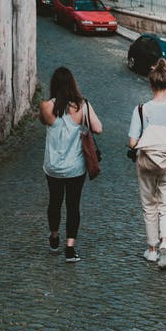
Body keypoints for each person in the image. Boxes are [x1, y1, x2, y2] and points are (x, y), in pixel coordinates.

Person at [128, 57, 166, 270]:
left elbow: (132, 142)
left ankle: (152, 250)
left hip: (146, 162)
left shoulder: (141, 110)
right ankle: (165, 241)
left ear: (151, 84)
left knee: (149, 205)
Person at [40, 66, 103, 263]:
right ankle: (70, 248)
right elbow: (98, 129)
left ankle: (54, 235)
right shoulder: (83, 106)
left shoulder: (46, 106)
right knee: (73, 205)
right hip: (75, 167)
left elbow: (44, 121)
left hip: (53, 166)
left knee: (54, 201)